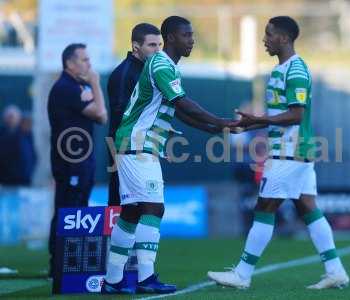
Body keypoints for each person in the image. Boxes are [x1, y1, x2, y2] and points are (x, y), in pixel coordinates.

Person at [208, 16, 350, 290]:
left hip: (290, 151)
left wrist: (261, 121)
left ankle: (242, 274)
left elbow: (296, 115)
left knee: (264, 207)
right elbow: (281, 114)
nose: (265, 39)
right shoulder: (280, 70)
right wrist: (252, 123)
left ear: (284, 38)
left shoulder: (295, 70)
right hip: (294, 151)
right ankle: (336, 270)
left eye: (269, 34)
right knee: (307, 207)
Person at [101, 16, 231, 295]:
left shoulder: (165, 66)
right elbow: (183, 103)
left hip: (135, 145)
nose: (192, 40)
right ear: (171, 38)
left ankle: (112, 280)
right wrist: (221, 121)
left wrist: (211, 128)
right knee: (153, 208)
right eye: (187, 35)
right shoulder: (161, 63)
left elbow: (180, 110)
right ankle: (146, 278)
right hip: (138, 145)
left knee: (132, 212)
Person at [47, 43, 107, 278]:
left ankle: (72, 262)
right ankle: (58, 264)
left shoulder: (76, 86)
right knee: (68, 208)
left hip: (82, 158)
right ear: (70, 63)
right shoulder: (66, 88)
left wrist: (90, 87)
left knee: (78, 207)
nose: (89, 64)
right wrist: (95, 83)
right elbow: (101, 115)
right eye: (84, 60)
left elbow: (99, 114)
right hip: (70, 159)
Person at [107, 23, 163, 206]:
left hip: (143, 146)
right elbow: (122, 117)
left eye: (159, 45)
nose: (158, 50)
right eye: (152, 45)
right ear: (135, 46)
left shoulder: (149, 70)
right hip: (125, 149)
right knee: (124, 205)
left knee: (145, 205)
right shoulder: (124, 74)